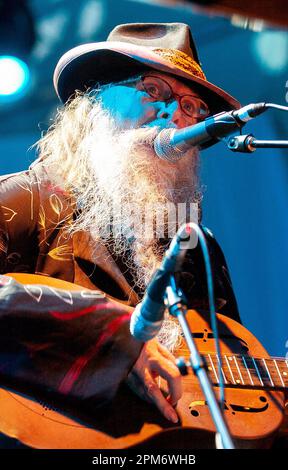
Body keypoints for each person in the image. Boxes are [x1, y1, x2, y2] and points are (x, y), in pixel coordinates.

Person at [0, 23, 242, 442]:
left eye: (193, 107)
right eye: (154, 90)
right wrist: (109, 339)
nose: (178, 115)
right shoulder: (25, 201)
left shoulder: (196, 247)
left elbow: (233, 390)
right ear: (94, 100)